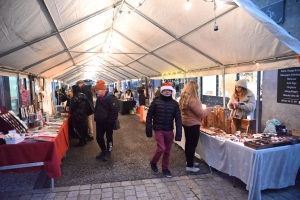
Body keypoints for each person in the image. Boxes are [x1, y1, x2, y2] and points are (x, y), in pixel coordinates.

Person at [146, 82, 182, 178]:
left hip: (169, 130)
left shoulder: (175, 104)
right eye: (165, 90)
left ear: (171, 92)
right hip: (158, 129)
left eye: (169, 90)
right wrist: (148, 130)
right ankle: (153, 162)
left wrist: (179, 134)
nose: (167, 92)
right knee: (161, 148)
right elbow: (149, 116)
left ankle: (165, 168)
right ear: (162, 91)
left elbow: (178, 119)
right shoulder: (155, 102)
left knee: (168, 151)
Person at [179, 81, 213, 172]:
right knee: (192, 145)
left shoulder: (183, 98)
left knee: (188, 143)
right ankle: (190, 166)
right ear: (194, 89)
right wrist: (210, 109)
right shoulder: (193, 100)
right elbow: (201, 113)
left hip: (186, 123)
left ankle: (189, 162)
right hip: (193, 124)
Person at [94, 80, 119, 161]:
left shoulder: (111, 98)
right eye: (96, 90)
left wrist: (110, 122)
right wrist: (96, 117)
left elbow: (114, 111)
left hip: (108, 123)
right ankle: (103, 150)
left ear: (103, 89)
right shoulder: (98, 99)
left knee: (109, 138)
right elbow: (96, 108)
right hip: (99, 122)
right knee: (98, 137)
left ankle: (108, 152)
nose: (96, 92)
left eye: (97, 90)